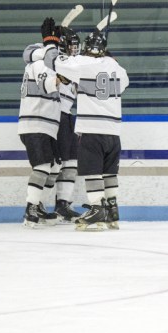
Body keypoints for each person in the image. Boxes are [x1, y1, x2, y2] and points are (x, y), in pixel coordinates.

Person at [44, 27, 129, 231]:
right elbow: (123, 84)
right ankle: (112, 209)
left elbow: (52, 61)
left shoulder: (82, 64)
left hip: (92, 128)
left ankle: (97, 207)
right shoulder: (118, 68)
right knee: (109, 173)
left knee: (92, 172)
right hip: (114, 131)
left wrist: (50, 41)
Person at [17, 17, 62, 228]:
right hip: (37, 123)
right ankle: (31, 207)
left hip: (46, 124)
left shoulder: (38, 59)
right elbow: (49, 85)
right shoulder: (39, 64)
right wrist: (66, 77)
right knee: (43, 165)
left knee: (54, 167)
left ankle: (39, 204)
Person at [52, 26, 82, 224]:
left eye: (75, 46)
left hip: (69, 117)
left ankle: (63, 204)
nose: (74, 49)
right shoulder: (53, 60)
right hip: (54, 116)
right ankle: (36, 205)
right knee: (54, 164)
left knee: (72, 162)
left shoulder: (77, 65)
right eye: (70, 45)